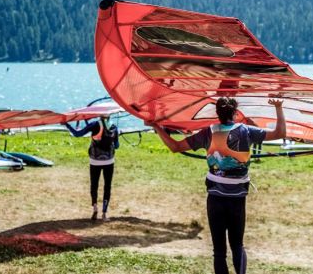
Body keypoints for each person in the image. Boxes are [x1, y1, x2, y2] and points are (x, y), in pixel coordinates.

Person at [151, 97, 286, 274]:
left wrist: (156, 127)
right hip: (237, 198)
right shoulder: (246, 131)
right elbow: (279, 133)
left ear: (217, 113)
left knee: (219, 252)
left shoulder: (208, 132)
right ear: (235, 113)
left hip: (215, 198)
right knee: (237, 245)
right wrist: (278, 107)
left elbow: (175, 146)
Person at [67, 116, 120, 221]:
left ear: (99, 115)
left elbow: (77, 134)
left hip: (95, 160)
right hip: (109, 161)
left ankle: (95, 207)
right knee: (107, 186)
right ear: (109, 116)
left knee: (94, 184)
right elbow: (117, 146)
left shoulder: (95, 124)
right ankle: (104, 213)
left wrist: (66, 124)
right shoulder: (114, 127)